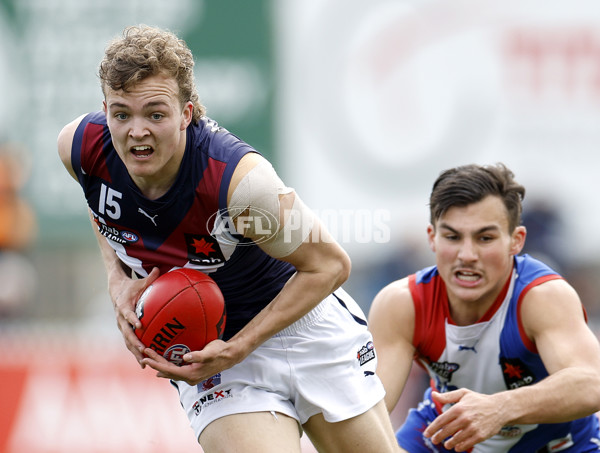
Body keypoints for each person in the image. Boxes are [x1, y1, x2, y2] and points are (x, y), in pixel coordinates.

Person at [57, 25, 399, 453]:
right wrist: (116, 277)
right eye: (121, 114)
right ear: (104, 108)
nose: (136, 132)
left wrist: (240, 346)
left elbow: (330, 265)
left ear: (187, 113)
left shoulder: (240, 184)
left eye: (156, 114)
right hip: (212, 351)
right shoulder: (81, 148)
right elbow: (100, 202)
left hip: (302, 327)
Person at [368, 163, 600, 452]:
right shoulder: (401, 303)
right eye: (452, 237)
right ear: (432, 237)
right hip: (447, 434)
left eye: (485, 238)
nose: (467, 255)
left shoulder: (542, 296)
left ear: (515, 241)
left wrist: (500, 407)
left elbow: (591, 383)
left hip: (558, 444)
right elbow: (369, 412)